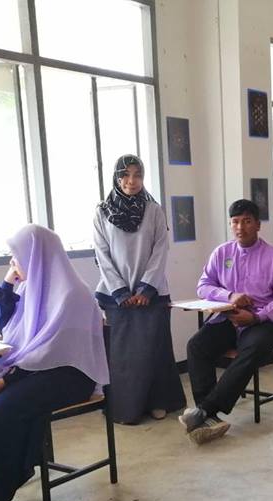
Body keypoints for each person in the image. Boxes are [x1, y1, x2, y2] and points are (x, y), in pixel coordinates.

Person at [0, 225, 110, 501]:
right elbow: (5, 326)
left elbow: (53, 353)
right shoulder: (29, 288)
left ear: (36, 255)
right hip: (23, 367)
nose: (13, 261)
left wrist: (5, 382)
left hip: (68, 375)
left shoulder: (72, 295)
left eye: (17, 255)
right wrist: (7, 284)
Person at [180, 199, 273, 444]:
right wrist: (229, 296)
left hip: (264, 321)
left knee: (250, 349)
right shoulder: (222, 253)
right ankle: (208, 417)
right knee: (196, 346)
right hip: (228, 317)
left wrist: (255, 317)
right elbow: (203, 285)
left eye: (247, 221)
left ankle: (205, 410)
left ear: (258, 225)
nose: (240, 227)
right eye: (235, 222)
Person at [93, 154, 185, 424]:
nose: (131, 181)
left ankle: (158, 402)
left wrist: (146, 289)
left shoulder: (153, 210)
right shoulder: (102, 212)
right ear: (116, 177)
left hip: (151, 294)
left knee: (153, 350)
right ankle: (126, 408)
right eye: (125, 175)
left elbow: (160, 250)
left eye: (137, 175)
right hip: (116, 297)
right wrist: (120, 292)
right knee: (123, 355)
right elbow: (102, 255)